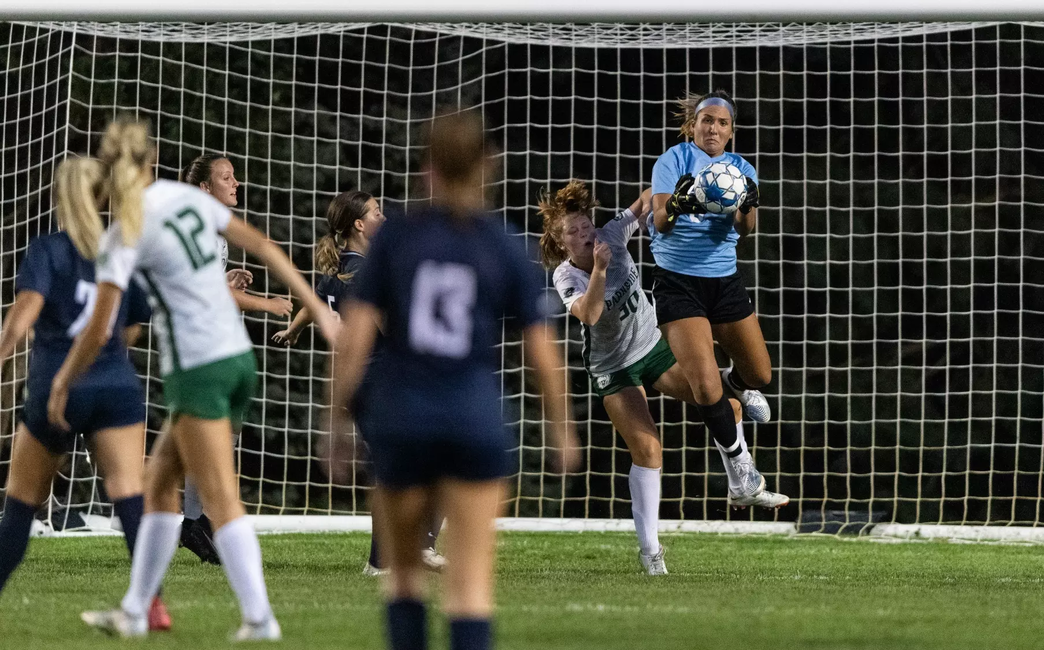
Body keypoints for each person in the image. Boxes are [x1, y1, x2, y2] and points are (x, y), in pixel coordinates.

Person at [49, 118, 338, 639]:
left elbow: (101, 326)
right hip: (237, 360)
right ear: (152, 160)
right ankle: (135, 610)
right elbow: (265, 247)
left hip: (199, 366)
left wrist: (63, 379)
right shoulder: (186, 199)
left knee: (220, 499)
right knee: (160, 486)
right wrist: (315, 307)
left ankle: (260, 619)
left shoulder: (125, 229)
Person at [328, 110, 579, 650]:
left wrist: (335, 419)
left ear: (428, 168)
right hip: (473, 417)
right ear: (489, 165)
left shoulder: (395, 240)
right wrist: (561, 428)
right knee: (469, 585)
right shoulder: (503, 243)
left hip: (401, 416)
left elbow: (355, 337)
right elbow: (540, 350)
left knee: (403, 579)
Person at [540, 180, 786, 575]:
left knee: (726, 405)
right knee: (649, 450)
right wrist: (600, 269)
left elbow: (643, 202)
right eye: (574, 231)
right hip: (614, 369)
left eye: (586, 225)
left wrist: (678, 181)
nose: (585, 233)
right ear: (560, 242)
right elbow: (590, 314)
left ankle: (741, 481)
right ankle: (651, 552)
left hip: (653, 346)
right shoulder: (566, 275)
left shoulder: (611, 234)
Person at [0, 157, 170, 629]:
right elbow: (132, 326)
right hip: (115, 385)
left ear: (62, 197)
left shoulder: (48, 249)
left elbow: (23, 316)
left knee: (20, 504)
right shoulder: (123, 250)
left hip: (57, 386)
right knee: (129, 495)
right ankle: (153, 604)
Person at [271, 191, 444, 576]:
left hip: (360, 384)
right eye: (376, 212)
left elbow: (314, 302)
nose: (384, 217)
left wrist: (293, 331)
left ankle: (412, 548)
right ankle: (390, 558)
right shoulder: (367, 272)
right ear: (360, 225)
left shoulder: (339, 269)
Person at [649, 89, 783, 508]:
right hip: (678, 283)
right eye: (707, 120)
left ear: (731, 131)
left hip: (724, 282)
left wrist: (747, 206)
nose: (713, 128)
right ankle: (742, 475)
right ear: (694, 125)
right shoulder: (673, 160)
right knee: (706, 389)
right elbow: (660, 221)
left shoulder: (742, 168)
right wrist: (679, 203)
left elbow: (746, 229)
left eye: (722, 123)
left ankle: (735, 383)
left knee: (760, 375)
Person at [176, 153, 294, 564]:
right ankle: (197, 521)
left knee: (219, 434)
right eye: (226, 177)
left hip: (208, 344)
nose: (236, 182)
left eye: (234, 176)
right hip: (201, 346)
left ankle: (196, 521)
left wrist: (227, 279)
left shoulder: (213, 231)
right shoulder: (202, 229)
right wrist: (267, 304)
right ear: (205, 188)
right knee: (211, 437)